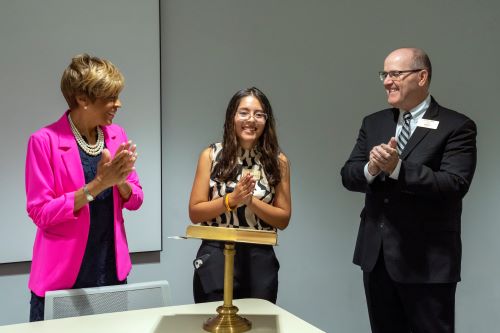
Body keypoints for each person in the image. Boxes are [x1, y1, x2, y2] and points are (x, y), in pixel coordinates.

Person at [341, 48, 477, 333]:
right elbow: (349, 175)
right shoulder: (374, 122)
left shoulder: (457, 126)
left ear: (422, 76)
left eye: (395, 74)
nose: (387, 81)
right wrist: (373, 168)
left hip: (427, 263)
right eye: (384, 74)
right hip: (376, 258)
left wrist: (398, 169)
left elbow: (454, 184)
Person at [25, 54, 143, 321]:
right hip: (62, 277)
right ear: (82, 98)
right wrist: (98, 185)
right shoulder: (43, 141)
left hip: (110, 270)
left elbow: (136, 199)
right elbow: (41, 213)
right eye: (110, 97)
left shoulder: (117, 136)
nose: (118, 104)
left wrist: (120, 181)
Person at [188, 87, 291, 304]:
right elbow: (195, 212)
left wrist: (250, 202)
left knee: (259, 325)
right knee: (214, 322)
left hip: (259, 257)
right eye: (243, 112)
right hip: (216, 254)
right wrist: (230, 201)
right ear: (232, 117)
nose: (251, 120)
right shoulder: (211, 155)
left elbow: (283, 219)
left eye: (259, 114)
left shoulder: (278, 161)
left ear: (266, 121)